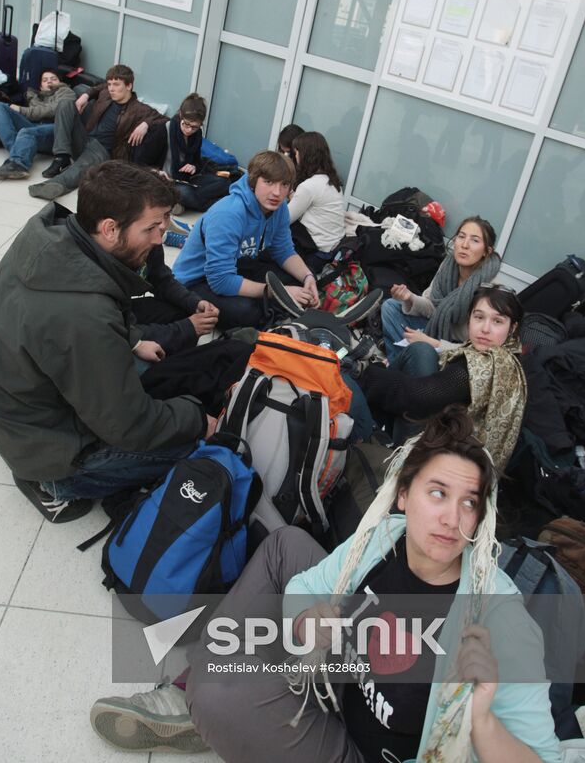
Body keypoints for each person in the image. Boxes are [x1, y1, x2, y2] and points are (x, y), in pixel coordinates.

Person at [89, 406, 561, 763]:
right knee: (286, 545)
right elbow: (309, 585)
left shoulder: (499, 622)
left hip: (359, 750)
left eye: (469, 503)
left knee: (216, 693)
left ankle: (205, 699)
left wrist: (480, 720)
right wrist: (302, 625)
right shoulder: (387, 535)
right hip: (335, 684)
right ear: (403, 495)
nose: (452, 518)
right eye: (438, 493)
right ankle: (215, 690)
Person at [0, 161, 209, 524]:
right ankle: (51, 485)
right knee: (191, 445)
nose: (159, 239)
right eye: (150, 228)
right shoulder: (83, 316)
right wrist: (197, 419)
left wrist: (134, 341)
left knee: (155, 376)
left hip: (13, 407)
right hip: (43, 444)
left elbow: (102, 303)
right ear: (110, 229)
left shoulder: (54, 239)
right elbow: (130, 426)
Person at [363, 285, 527, 470]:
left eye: (497, 321)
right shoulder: (507, 354)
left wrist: (368, 373)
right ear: (469, 319)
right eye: (479, 317)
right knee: (420, 350)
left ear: (513, 328)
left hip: (448, 461)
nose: (485, 329)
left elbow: (418, 396)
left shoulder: (484, 364)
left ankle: (375, 432)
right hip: (449, 435)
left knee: (402, 376)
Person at [173, 150, 319, 329]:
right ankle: (271, 313)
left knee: (301, 279)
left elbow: (284, 251)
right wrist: (278, 292)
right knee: (246, 312)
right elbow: (220, 281)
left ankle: (277, 310)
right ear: (253, 181)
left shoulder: (279, 209)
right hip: (196, 281)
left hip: (237, 264)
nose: (277, 192)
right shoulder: (228, 214)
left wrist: (308, 277)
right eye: (268, 182)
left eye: (284, 185)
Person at [28, 64, 168, 201]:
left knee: (81, 166)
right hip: (85, 139)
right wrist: (86, 95)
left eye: (116, 84)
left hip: (103, 151)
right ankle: (62, 157)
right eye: (110, 84)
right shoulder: (106, 93)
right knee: (65, 104)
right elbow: (97, 87)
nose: (112, 89)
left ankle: (55, 185)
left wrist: (145, 124)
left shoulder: (139, 109)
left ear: (129, 85)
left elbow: (164, 119)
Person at [380, 215, 500, 363]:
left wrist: (432, 343)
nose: (465, 245)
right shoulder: (448, 267)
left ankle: (414, 366)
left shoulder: (490, 291)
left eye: (475, 240)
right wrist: (409, 298)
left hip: (458, 351)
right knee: (391, 307)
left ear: (486, 252)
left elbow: (478, 352)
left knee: (422, 351)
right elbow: (432, 307)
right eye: (461, 237)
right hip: (436, 329)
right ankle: (400, 363)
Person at [0, 68, 75, 179]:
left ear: (60, 82)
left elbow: (52, 110)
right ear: (41, 86)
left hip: (56, 131)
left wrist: (21, 110)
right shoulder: (35, 95)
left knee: (26, 132)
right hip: (36, 127)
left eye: (53, 79)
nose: (49, 81)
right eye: (45, 80)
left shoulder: (66, 92)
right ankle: (17, 153)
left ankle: (19, 164)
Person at [288, 130, 345, 272]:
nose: (295, 156)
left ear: (305, 155)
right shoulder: (331, 180)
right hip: (333, 248)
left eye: (296, 152)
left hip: (316, 253)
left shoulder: (309, 186)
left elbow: (285, 218)